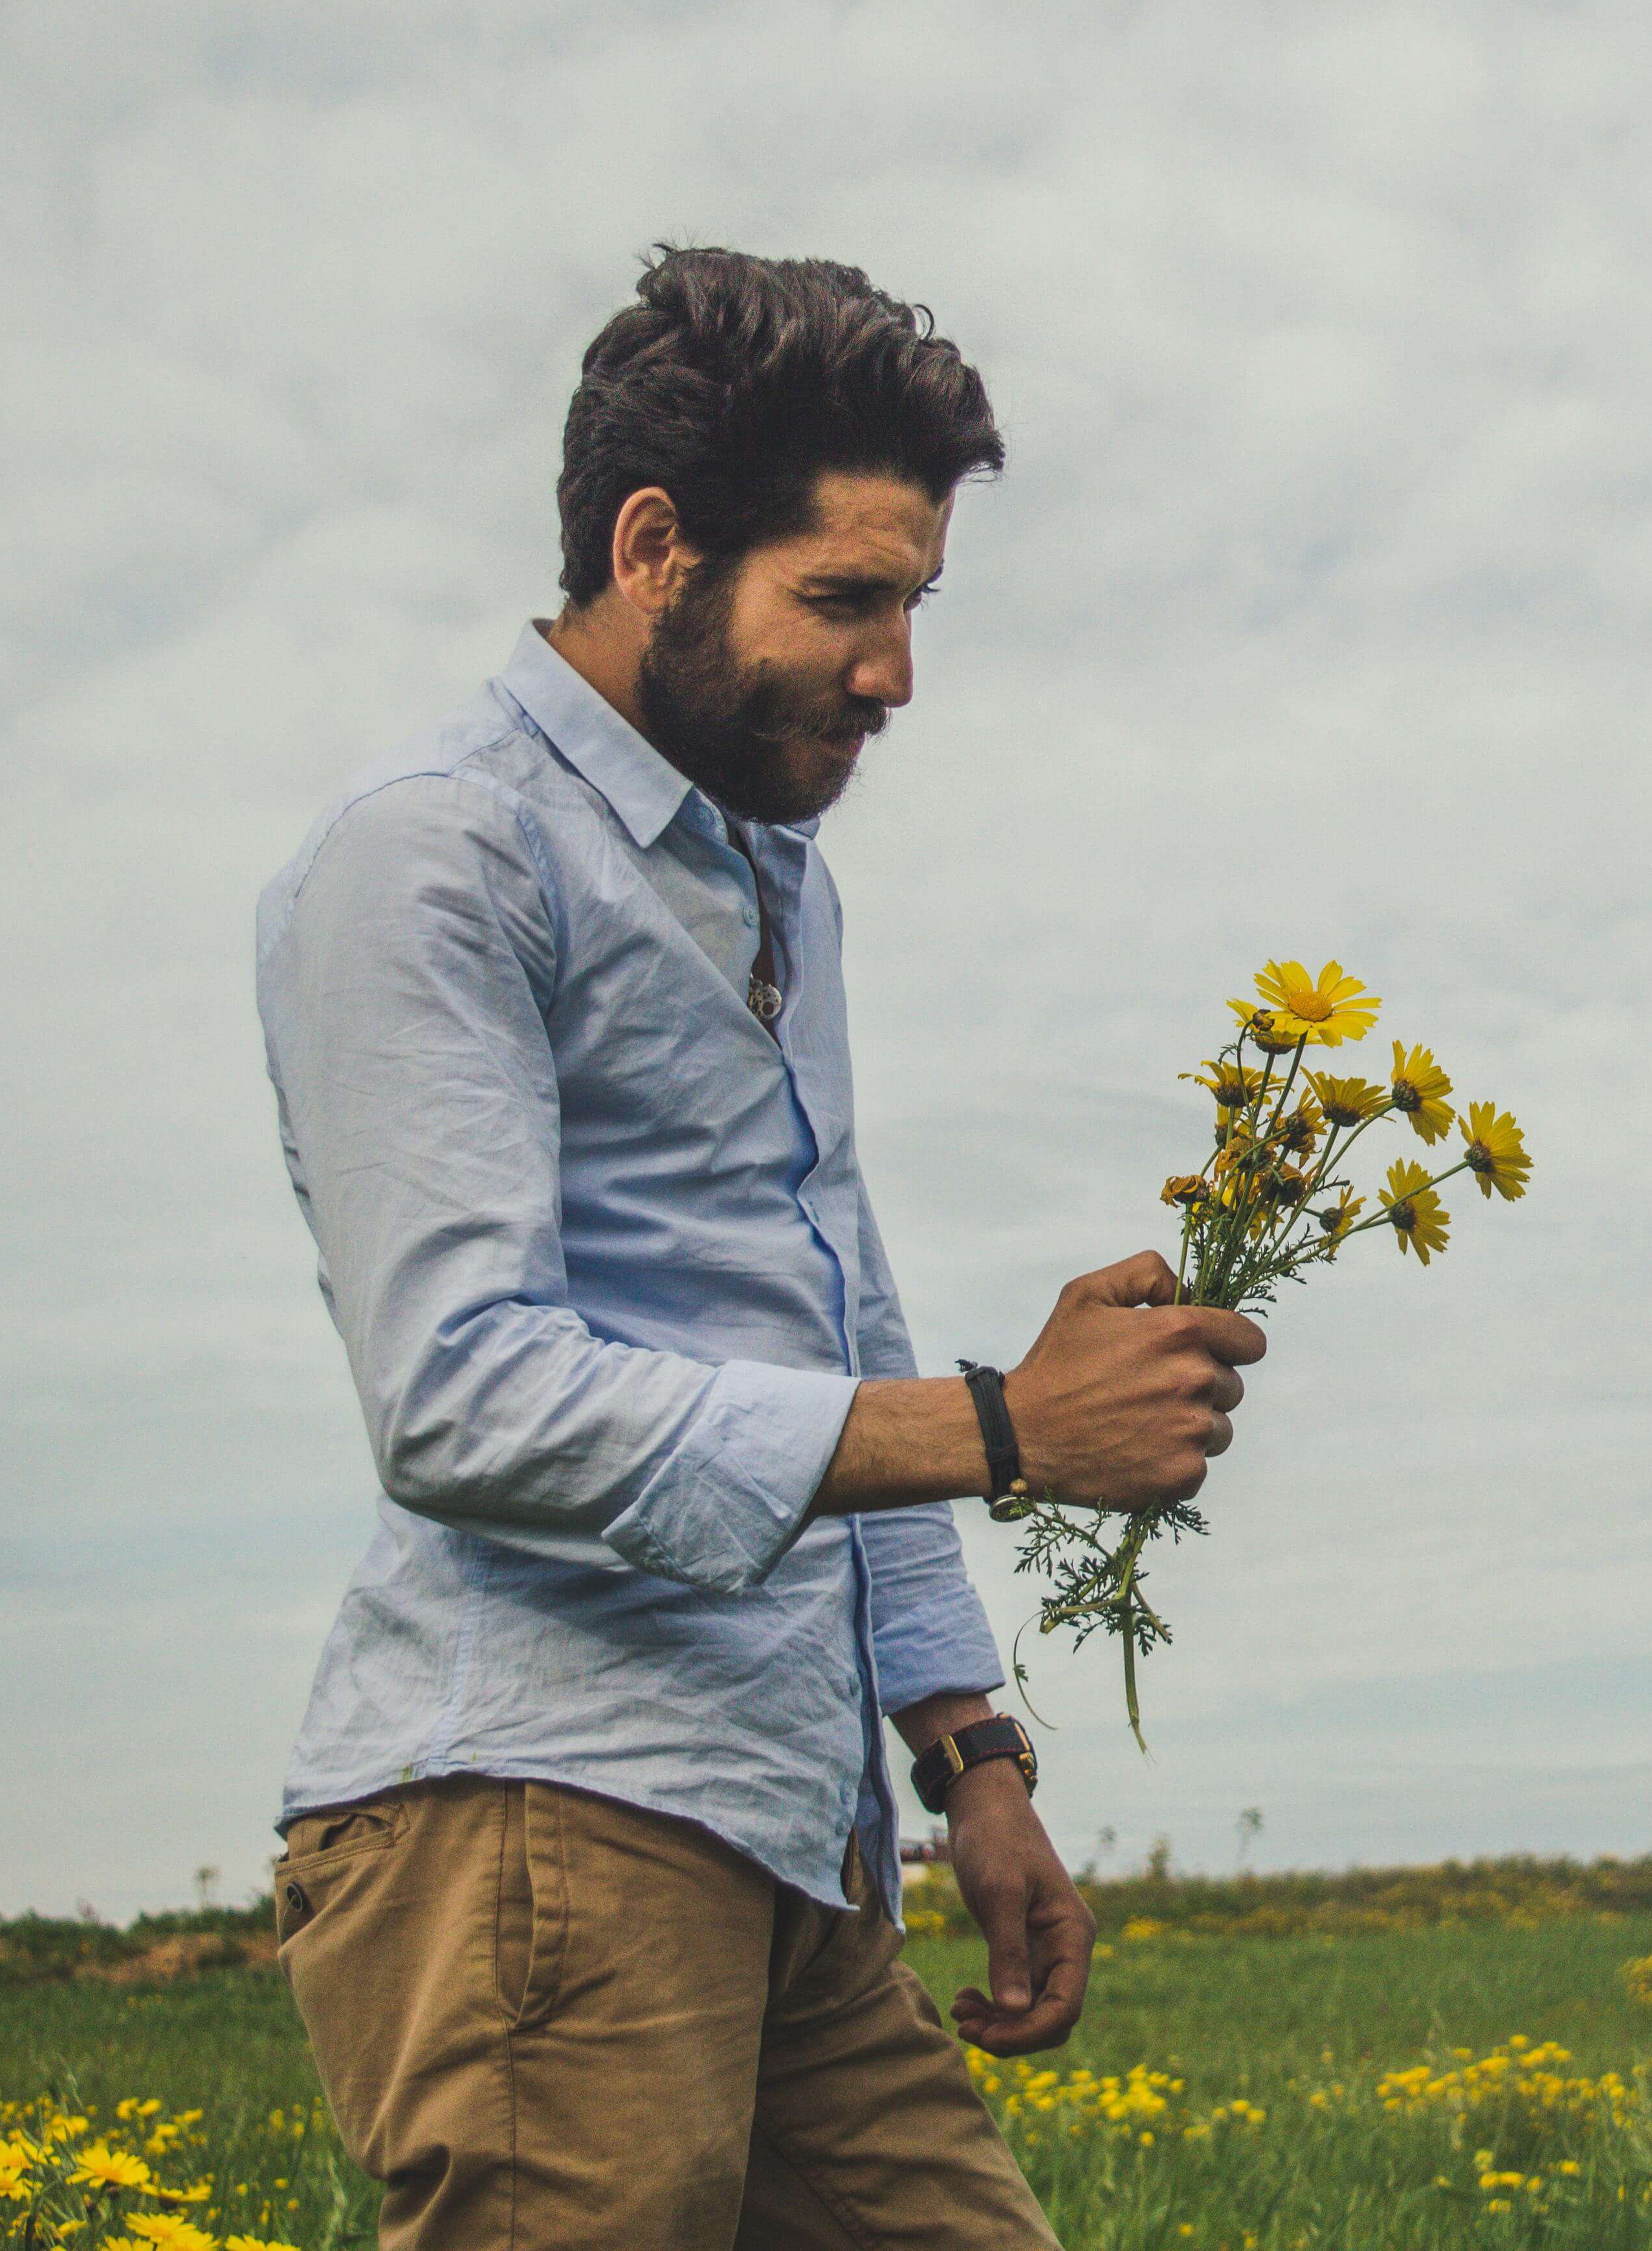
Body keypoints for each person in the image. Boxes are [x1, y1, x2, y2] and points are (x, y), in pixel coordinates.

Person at [254, 245, 1264, 2248]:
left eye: (915, 604)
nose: (897, 671)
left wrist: (967, 1751)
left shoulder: (769, 876)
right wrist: (1003, 1427)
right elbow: (461, 1398)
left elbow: (834, 1315)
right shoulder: (436, 857)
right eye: (847, 600)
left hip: (794, 1832)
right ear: (653, 548)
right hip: (542, 1811)